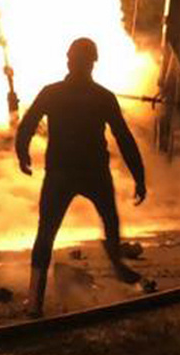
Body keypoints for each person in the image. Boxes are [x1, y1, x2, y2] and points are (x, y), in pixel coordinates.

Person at [15, 38, 147, 317]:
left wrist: (22, 153)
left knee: (46, 232)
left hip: (62, 172)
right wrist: (139, 176)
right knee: (110, 222)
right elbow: (124, 139)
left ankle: (35, 300)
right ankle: (120, 268)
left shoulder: (52, 93)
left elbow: (27, 124)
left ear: (69, 60)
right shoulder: (102, 97)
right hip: (93, 171)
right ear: (93, 63)